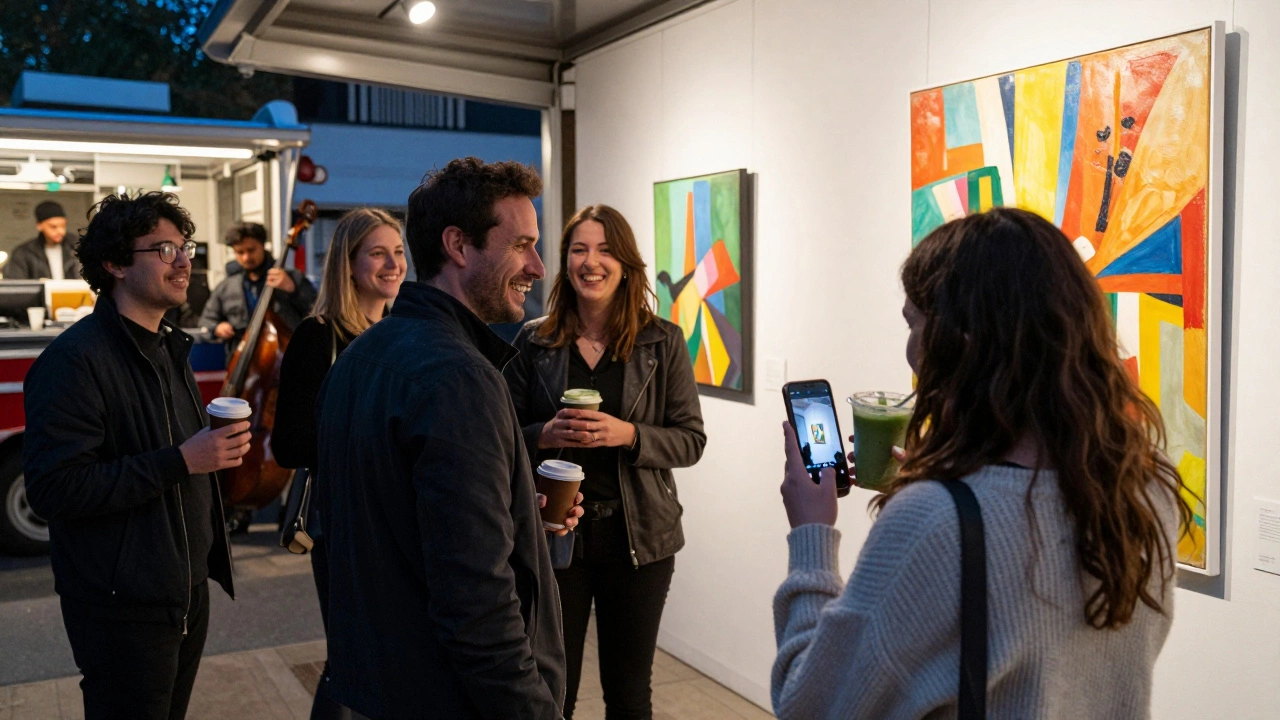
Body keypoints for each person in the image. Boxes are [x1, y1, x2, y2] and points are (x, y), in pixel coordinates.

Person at [772, 208, 1192, 719]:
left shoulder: (933, 520)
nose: (910, 350)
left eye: (915, 323)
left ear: (960, 340)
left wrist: (812, 533)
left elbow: (807, 707)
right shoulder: (1148, 490)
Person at [315, 157, 583, 719]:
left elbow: (394, 523)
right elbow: (477, 606)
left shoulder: (362, 354)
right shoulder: (458, 379)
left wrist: (515, 516)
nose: (538, 265)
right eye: (521, 245)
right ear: (458, 245)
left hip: (369, 686)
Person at [22, 191, 251, 720]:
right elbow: (54, 489)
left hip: (185, 591)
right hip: (122, 605)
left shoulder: (170, 346)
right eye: (164, 249)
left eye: (186, 247)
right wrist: (183, 460)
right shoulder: (75, 362)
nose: (184, 261)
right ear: (115, 264)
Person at [504, 204, 706, 720]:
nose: (591, 262)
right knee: (553, 688)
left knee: (629, 692)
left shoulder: (662, 341)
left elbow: (691, 441)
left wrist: (628, 434)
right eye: (579, 249)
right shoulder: (535, 340)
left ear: (626, 263)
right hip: (554, 534)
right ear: (565, 261)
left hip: (639, 539)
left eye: (605, 250)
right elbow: (500, 439)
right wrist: (544, 433)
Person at [273, 207, 406, 720]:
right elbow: (289, 445)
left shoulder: (399, 333)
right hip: (344, 521)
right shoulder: (318, 335)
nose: (392, 264)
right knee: (352, 658)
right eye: (378, 253)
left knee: (385, 654)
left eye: (398, 252)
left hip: (394, 517)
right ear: (348, 263)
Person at [199, 221, 316, 351]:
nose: (246, 257)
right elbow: (206, 320)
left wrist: (293, 291)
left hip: (287, 356)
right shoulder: (226, 286)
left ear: (263, 245)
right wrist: (217, 328)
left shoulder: (292, 278)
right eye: (240, 252)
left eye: (251, 250)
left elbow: (317, 314)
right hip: (241, 359)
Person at [6, 200, 82, 280]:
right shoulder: (23, 253)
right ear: (39, 226)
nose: (60, 231)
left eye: (63, 226)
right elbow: (16, 285)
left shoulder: (78, 248)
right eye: (53, 227)